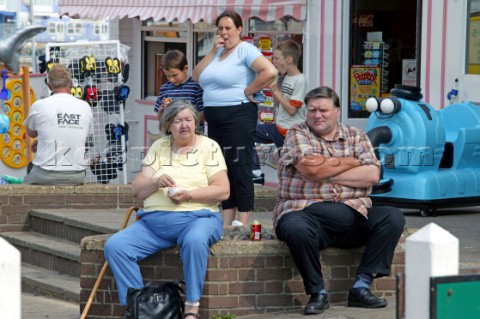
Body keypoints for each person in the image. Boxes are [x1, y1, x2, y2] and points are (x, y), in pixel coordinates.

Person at [273, 86, 405, 315]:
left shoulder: (356, 135)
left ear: (337, 111)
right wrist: (352, 162)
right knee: (295, 227)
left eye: (323, 110)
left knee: (392, 217)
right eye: (312, 110)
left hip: (353, 214)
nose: (317, 115)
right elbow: (311, 169)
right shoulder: (297, 133)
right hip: (305, 211)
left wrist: (327, 169)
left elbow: (372, 175)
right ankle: (317, 293)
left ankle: (361, 287)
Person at [104, 99, 229, 319]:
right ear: (168, 125)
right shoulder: (158, 147)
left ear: (195, 122)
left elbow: (223, 190)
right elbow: (138, 190)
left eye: (188, 120)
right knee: (116, 246)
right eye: (177, 120)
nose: (184, 125)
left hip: (198, 218)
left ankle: (191, 307)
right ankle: (138, 306)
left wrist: (189, 194)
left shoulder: (209, 147)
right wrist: (155, 182)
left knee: (194, 241)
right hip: (154, 225)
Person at [192, 10, 277, 227]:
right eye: (220, 28)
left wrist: (249, 90)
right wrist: (212, 51)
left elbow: (270, 71)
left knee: (240, 165)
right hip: (215, 120)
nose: (223, 32)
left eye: (228, 28)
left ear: (239, 29)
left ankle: (244, 219)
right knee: (222, 168)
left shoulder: (245, 50)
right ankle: (227, 221)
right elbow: (196, 76)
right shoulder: (218, 54)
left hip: (237, 116)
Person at [23, 64, 93, 185]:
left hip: (44, 174)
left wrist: (44, 139)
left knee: (23, 189)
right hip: (77, 175)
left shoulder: (39, 105)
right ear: (70, 84)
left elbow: (31, 132)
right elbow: (83, 135)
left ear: (49, 86)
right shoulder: (85, 107)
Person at [251, 39, 307, 185]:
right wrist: (273, 90)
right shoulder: (286, 77)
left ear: (288, 59)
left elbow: (292, 110)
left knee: (290, 170)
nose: (274, 62)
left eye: (276, 58)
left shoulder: (300, 80)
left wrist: (276, 90)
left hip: (289, 132)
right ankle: (255, 172)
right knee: (246, 132)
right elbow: (279, 105)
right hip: (278, 127)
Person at [153, 49, 205, 133]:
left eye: (175, 75)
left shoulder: (196, 87)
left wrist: (181, 112)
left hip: (194, 136)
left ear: (185, 68)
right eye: (167, 76)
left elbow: (203, 115)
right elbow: (160, 118)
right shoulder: (164, 88)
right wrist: (162, 109)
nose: (171, 79)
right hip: (172, 136)